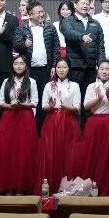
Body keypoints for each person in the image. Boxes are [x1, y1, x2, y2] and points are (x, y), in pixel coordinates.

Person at [0, 55, 40, 194]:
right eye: (16, 63)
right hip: (9, 117)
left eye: (21, 63)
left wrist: (22, 104)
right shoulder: (6, 81)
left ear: (26, 66)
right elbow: (0, 102)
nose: (18, 66)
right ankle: (9, 185)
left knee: (24, 152)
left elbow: (35, 102)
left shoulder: (32, 82)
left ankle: (21, 186)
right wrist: (11, 106)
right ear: (12, 65)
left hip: (25, 117)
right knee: (8, 151)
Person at [71, 60, 109, 192]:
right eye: (102, 69)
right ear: (97, 70)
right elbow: (86, 106)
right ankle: (90, 187)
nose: (104, 72)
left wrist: (108, 95)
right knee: (92, 155)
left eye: (107, 69)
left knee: (108, 156)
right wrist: (99, 97)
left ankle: (105, 187)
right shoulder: (91, 86)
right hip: (94, 123)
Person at [12, 0, 58, 126]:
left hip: (45, 69)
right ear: (30, 14)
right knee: (28, 96)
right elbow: (16, 43)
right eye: (38, 12)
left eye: (42, 11)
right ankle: (27, 124)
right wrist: (24, 44)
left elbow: (56, 48)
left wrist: (54, 65)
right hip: (28, 70)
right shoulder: (22, 28)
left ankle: (41, 125)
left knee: (43, 97)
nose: (41, 14)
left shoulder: (50, 27)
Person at [39, 58, 81, 187]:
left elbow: (77, 107)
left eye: (64, 67)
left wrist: (65, 106)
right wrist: (51, 106)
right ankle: (51, 185)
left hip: (69, 122)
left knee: (68, 153)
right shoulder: (49, 85)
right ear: (55, 69)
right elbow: (43, 106)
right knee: (50, 152)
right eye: (59, 67)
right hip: (52, 121)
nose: (61, 70)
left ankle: (67, 185)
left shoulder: (74, 85)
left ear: (69, 69)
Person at [60, 0, 105, 94]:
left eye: (87, 4)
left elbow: (101, 47)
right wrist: (82, 37)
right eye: (82, 3)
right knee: (73, 97)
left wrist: (101, 65)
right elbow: (69, 33)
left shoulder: (96, 24)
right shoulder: (67, 21)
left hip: (91, 67)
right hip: (74, 67)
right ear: (75, 5)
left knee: (89, 97)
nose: (85, 6)